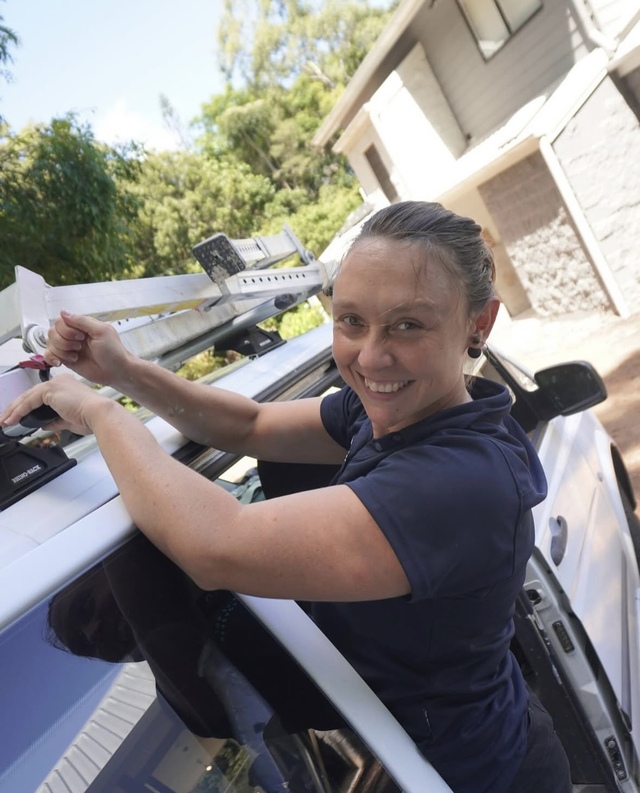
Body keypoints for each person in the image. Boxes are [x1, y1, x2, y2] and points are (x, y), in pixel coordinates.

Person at [0, 201, 571, 793]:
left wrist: (99, 413)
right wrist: (122, 372)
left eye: (409, 324)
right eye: (351, 320)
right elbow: (247, 424)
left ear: (480, 324)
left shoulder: (458, 482)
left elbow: (217, 545)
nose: (371, 356)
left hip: (482, 776)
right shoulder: (401, 408)